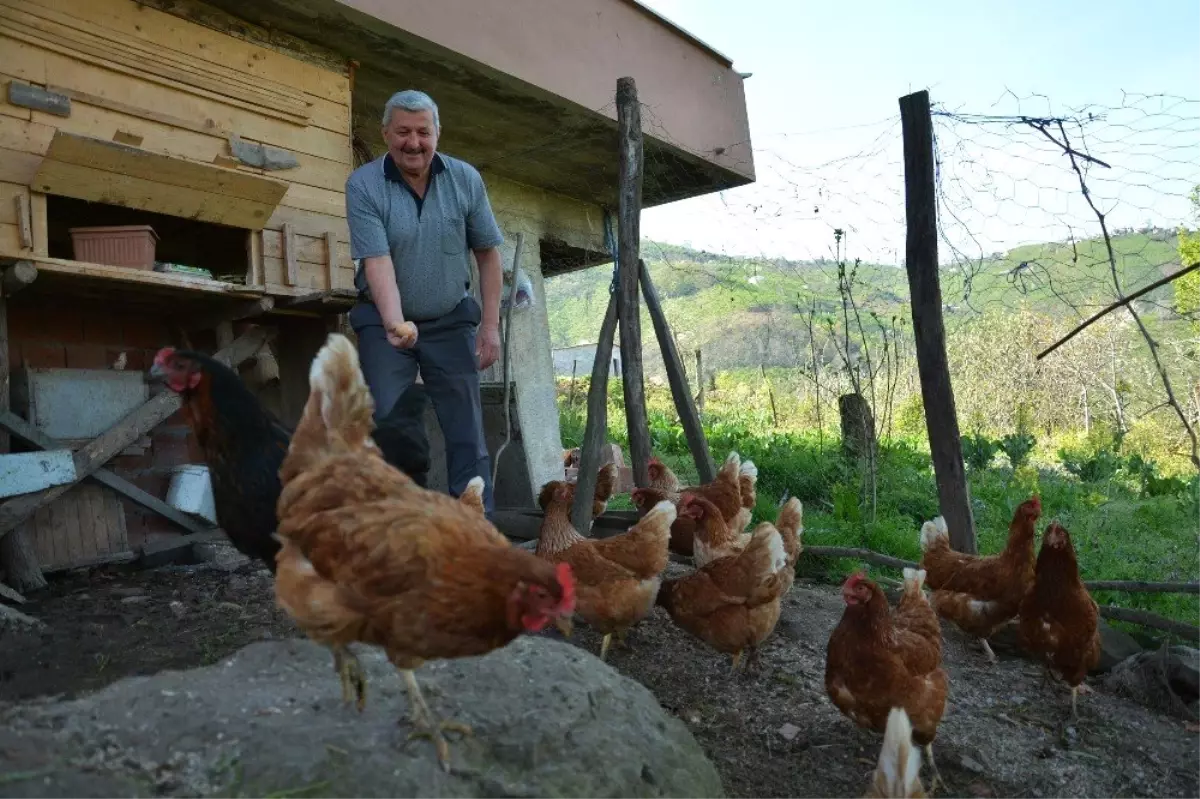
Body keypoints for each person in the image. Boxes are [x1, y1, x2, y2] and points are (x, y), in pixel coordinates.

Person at [345, 89, 505, 513]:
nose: (412, 143)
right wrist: (397, 324)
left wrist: (490, 326)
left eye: (422, 132)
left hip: (451, 319)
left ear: (437, 133)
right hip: (383, 321)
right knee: (382, 421)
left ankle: (475, 534)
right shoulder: (363, 185)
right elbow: (377, 261)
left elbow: (488, 254)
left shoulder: (465, 179)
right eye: (402, 132)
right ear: (385, 133)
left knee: (467, 430)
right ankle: (393, 524)